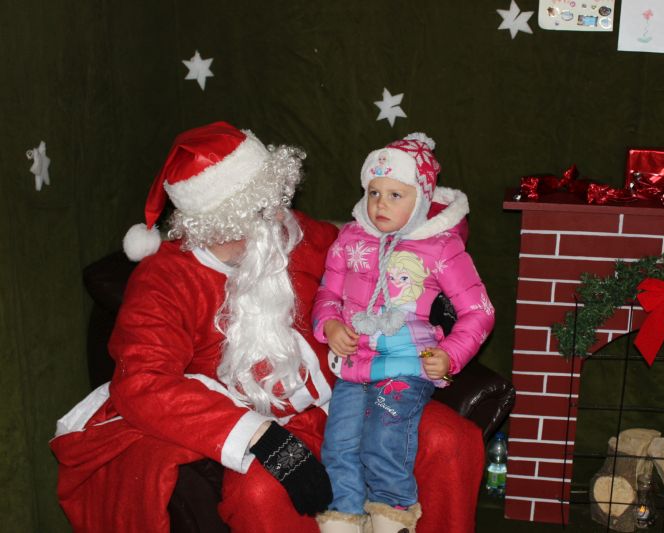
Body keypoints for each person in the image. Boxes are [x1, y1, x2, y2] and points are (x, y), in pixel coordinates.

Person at [50, 122, 485, 533]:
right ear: (221, 220)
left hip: (348, 395)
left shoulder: (287, 232)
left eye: (277, 198)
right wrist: (262, 438)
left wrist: (430, 280)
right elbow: (143, 381)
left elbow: (368, 242)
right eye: (263, 208)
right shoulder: (165, 280)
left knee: (451, 441)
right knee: (262, 494)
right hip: (261, 422)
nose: (281, 215)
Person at [312, 133, 495, 533]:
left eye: (395, 195)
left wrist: (450, 354)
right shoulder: (350, 239)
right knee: (339, 447)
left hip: (407, 367)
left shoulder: (441, 247)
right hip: (354, 366)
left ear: (422, 198)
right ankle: (344, 520)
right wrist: (330, 324)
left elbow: (479, 312)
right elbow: (327, 293)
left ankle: (392, 519)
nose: (380, 204)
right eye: (374, 192)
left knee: (383, 442)